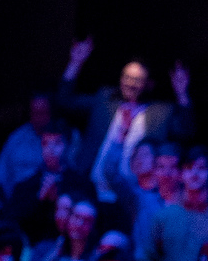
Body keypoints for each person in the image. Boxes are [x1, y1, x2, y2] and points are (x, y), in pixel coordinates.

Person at [57, 41, 193, 195]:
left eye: (137, 80)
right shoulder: (105, 99)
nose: (130, 84)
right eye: (126, 77)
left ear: (149, 84)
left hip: (132, 197)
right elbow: (65, 102)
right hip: (89, 188)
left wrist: (182, 93)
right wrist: (75, 63)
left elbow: (186, 131)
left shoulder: (160, 112)